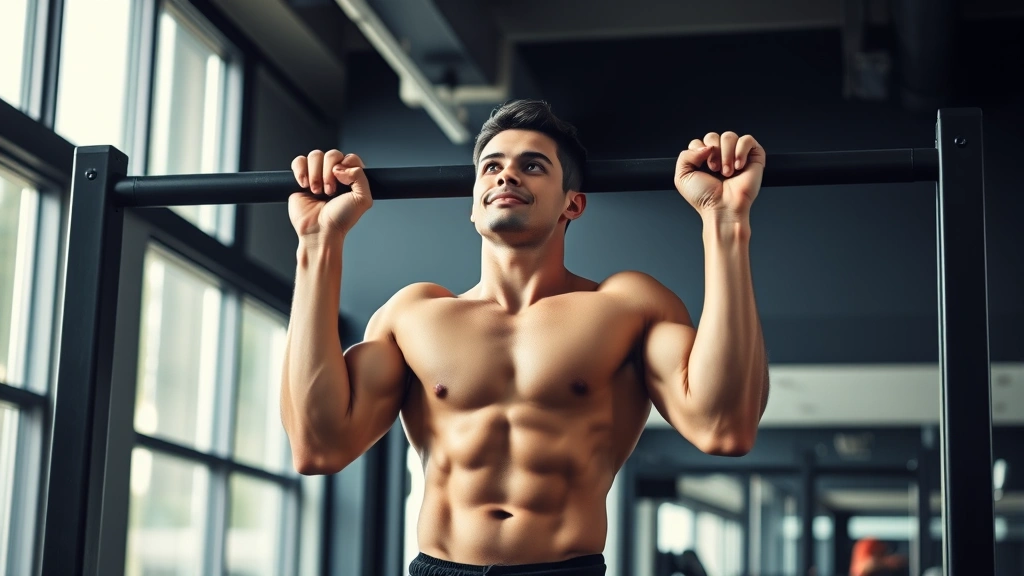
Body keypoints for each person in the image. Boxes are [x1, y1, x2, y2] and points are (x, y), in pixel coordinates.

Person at [280, 99, 770, 576]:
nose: (506, 175)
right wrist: (317, 244)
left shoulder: (626, 306)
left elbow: (723, 427)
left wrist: (725, 221)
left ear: (572, 203)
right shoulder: (415, 313)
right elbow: (318, 446)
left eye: (532, 166)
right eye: (491, 166)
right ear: (473, 204)